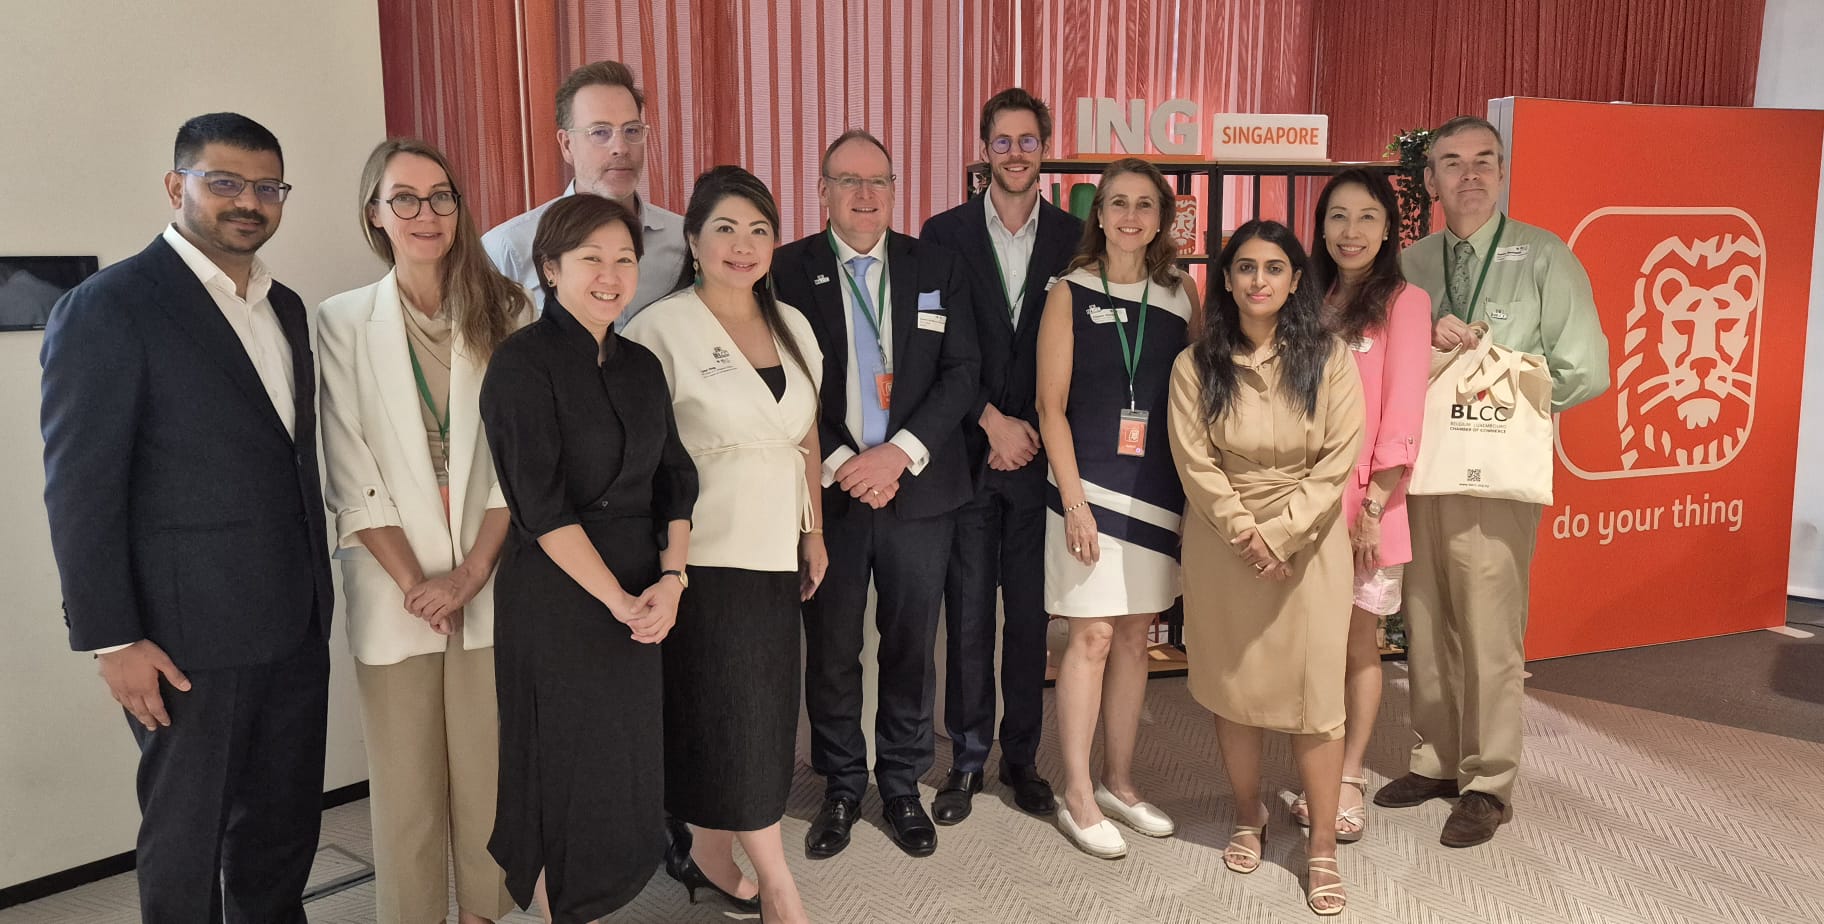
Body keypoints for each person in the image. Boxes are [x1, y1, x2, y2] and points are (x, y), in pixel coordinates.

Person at [39, 112, 334, 923]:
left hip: (294, 623)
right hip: (183, 641)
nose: (250, 202)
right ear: (177, 187)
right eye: (225, 182)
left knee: (281, 837)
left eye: (268, 187)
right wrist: (111, 638)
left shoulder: (285, 306)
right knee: (186, 845)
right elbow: (80, 489)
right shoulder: (110, 307)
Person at [1378, 116, 1610, 848]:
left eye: (1485, 160)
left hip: (1495, 472)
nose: (1470, 174)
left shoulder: (1543, 255)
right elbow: (1382, 359)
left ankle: (1488, 782)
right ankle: (1436, 759)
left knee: (1489, 626)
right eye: (1452, 162)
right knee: (1424, 619)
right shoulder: (1410, 263)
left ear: (1503, 171)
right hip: (1422, 470)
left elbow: (1585, 370)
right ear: (1431, 180)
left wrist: (1500, 378)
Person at [318, 138, 531, 924]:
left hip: (488, 569)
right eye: (403, 198)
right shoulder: (341, 321)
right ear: (375, 213)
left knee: (488, 772)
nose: (425, 213)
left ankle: (483, 913)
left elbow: (520, 460)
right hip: (394, 584)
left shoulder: (509, 309)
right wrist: (420, 585)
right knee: (405, 785)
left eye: (441, 196)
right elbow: (349, 466)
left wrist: (469, 574)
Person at [479, 194, 697, 923]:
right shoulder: (520, 365)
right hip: (559, 596)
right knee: (560, 769)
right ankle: (555, 911)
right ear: (549, 268)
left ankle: (595, 903)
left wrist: (672, 580)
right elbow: (541, 508)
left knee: (622, 768)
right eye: (591, 259)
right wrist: (620, 601)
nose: (611, 276)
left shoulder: (641, 365)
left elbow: (676, 479)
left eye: (625, 260)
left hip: (642, 589)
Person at [772, 130, 980, 860]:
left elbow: (962, 371)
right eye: (848, 181)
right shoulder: (785, 269)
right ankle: (840, 783)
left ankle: (900, 782)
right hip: (830, 493)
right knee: (832, 646)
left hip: (918, 488)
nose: (865, 195)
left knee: (910, 645)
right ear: (822, 191)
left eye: (878, 181)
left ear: (894, 190)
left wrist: (898, 454)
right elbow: (783, 379)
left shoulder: (936, 267)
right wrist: (842, 461)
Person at [621, 166, 821, 923]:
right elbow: (643, 456)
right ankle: (779, 884)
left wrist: (815, 529)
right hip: (701, 555)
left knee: (762, 717)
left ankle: (709, 854)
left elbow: (805, 434)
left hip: (775, 549)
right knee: (731, 716)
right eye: (726, 229)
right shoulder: (660, 328)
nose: (744, 245)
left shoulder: (793, 325)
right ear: (694, 241)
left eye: (760, 230)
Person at [1167, 220, 1364, 915]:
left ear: (1294, 280)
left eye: (1274, 268)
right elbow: (1194, 461)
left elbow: (1339, 457)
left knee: (1317, 698)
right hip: (1224, 543)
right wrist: (1246, 535)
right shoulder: (1195, 365)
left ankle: (1321, 848)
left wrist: (1280, 536)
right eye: (1246, 267)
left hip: (1310, 543)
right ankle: (1248, 811)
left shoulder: (1330, 357)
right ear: (1225, 279)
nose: (1259, 280)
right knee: (1237, 687)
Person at [918, 88, 1082, 825]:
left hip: (1041, 461)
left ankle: (1022, 759)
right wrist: (990, 421)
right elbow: (931, 343)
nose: (1016, 153)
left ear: (1045, 149)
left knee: (1029, 622)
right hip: (968, 454)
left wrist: (1036, 430)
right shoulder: (943, 233)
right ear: (984, 150)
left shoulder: (1075, 238)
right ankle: (967, 759)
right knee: (969, 617)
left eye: (1028, 141)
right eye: (1003, 141)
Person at [1035, 158, 1198, 860]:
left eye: (1144, 205)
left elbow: (1196, 397)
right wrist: (1073, 503)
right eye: (1117, 203)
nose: (1130, 216)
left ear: (1161, 219)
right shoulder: (1068, 292)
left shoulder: (1182, 293)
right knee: (1092, 637)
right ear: (1097, 215)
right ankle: (1076, 793)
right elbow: (1050, 407)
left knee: (1136, 636)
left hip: (1158, 493)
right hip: (1087, 490)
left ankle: (1118, 783)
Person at [1285, 169, 1431, 845]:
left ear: (1388, 228)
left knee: (1355, 643)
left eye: (1367, 217)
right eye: (1338, 217)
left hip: (1368, 504)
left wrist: (1373, 505)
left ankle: (1346, 777)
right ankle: (1311, 766)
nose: (1351, 231)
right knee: (1305, 643)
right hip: (1301, 500)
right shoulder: (1304, 298)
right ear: (1320, 228)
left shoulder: (1405, 302)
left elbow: (1403, 411)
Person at [482, 59, 687, 325]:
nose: (621, 147)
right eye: (600, 132)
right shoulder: (508, 249)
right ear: (567, 145)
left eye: (632, 130)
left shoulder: (683, 241)